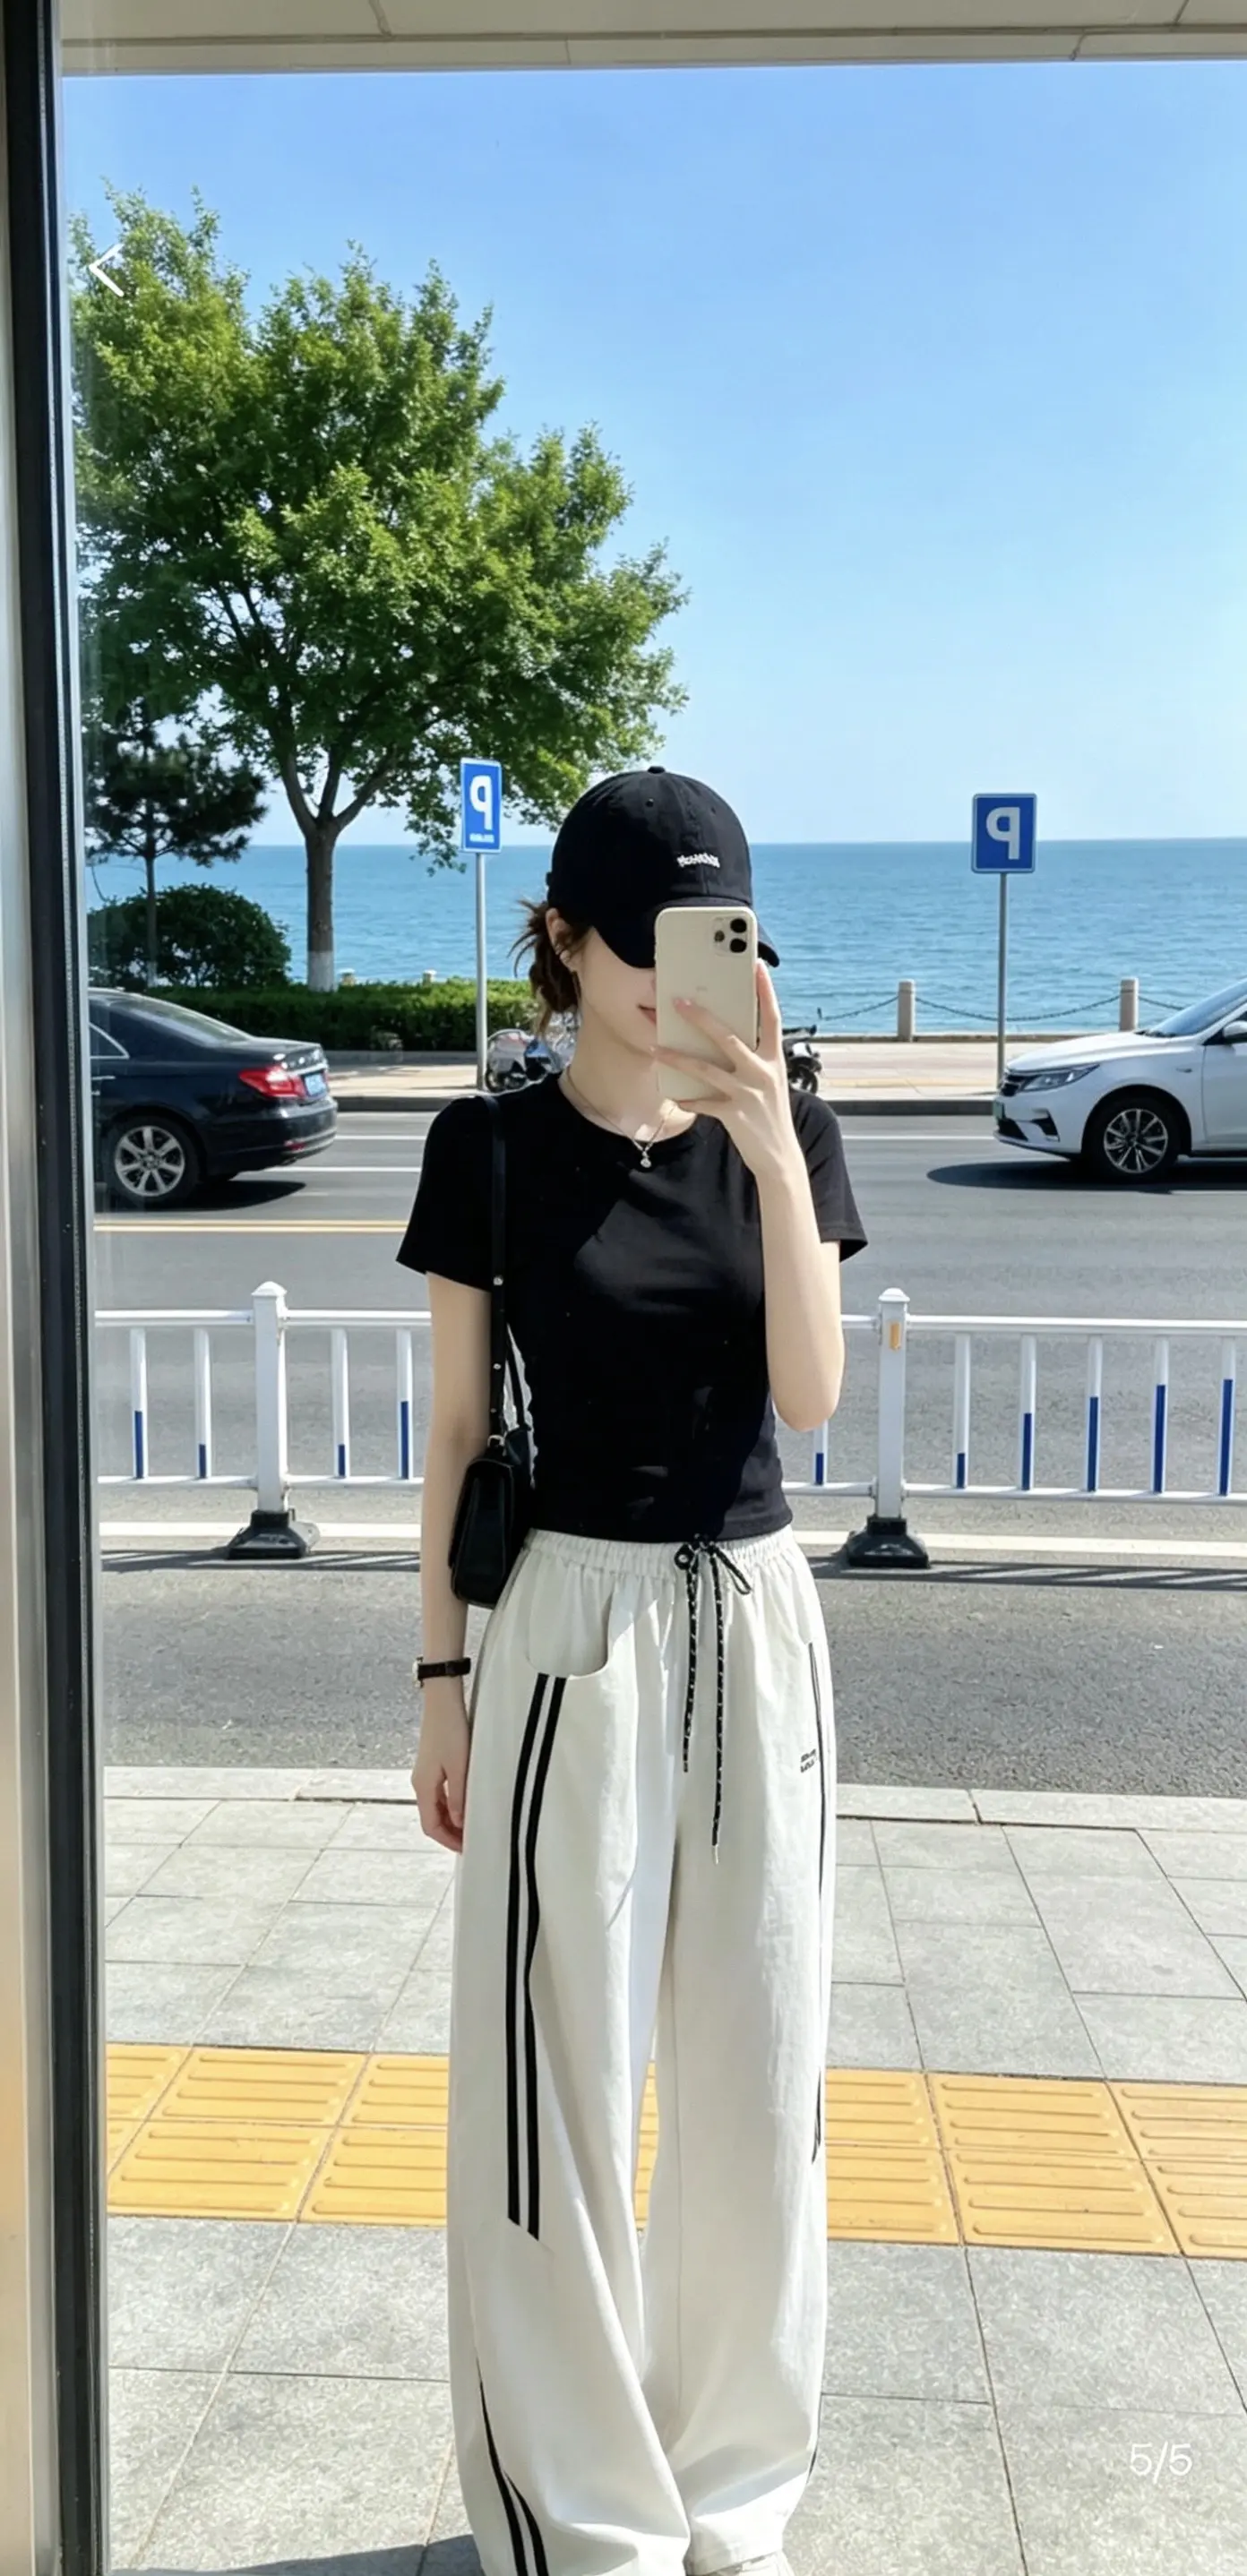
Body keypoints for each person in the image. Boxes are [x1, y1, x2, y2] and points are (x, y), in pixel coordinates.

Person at [398, 769, 867, 2576]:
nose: (688, 974)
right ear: (571, 941)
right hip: (566, 1629)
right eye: (654, 937)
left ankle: (734, 2497)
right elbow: (455, 1435)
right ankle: (585, 2516)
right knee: (556, 2090)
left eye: (721, 932)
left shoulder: (788, 1131)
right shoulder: (489, 1150)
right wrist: (440, 1680)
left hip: (755, 1620)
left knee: (761, 2082)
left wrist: (770, 1146)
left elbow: (810, 1400)